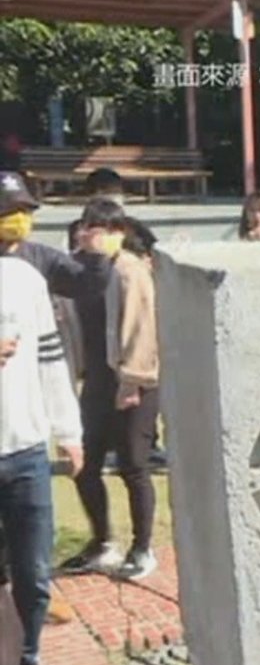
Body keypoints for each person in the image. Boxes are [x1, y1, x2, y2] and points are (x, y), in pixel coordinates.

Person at [0, 173, 87, 665]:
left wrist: (69, 432)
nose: (16, 223)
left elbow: (53, 359)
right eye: (9, 212)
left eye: (22, 211)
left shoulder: (26, 279)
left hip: (27, 451)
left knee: (34, 575)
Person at [57, 199, 161, 584]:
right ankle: (102, 542)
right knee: (84, 463)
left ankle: (142, 547)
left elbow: (141, 328)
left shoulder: (130, 270)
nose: (87, 233)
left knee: (134, 464)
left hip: (136, 382)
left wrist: (132, 381)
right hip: (96, 382)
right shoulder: (74, 272)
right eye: (85, 226)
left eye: (97, 227)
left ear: (117, 232)